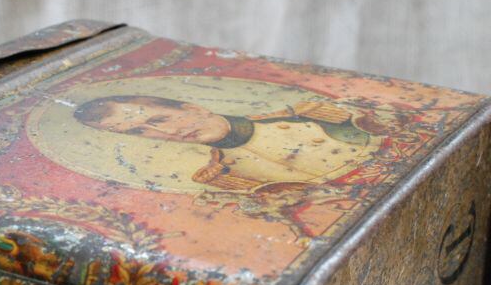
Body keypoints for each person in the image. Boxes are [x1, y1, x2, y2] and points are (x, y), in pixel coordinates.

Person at [73, 95, 370, 191]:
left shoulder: (309, 114)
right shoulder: (222, 175)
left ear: (192, 106)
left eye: (160, 119)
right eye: (139, 132)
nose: (164, 132)